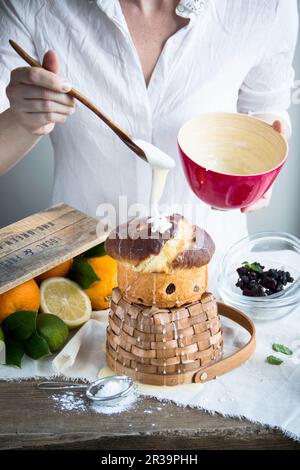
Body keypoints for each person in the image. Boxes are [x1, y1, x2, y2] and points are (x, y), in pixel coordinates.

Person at [0, 0, 298, 276]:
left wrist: (262, 161)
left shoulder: (266, 6)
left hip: (212, 275)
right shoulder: (34, 6)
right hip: (86, 277)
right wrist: (24, 118)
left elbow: (265, 107)